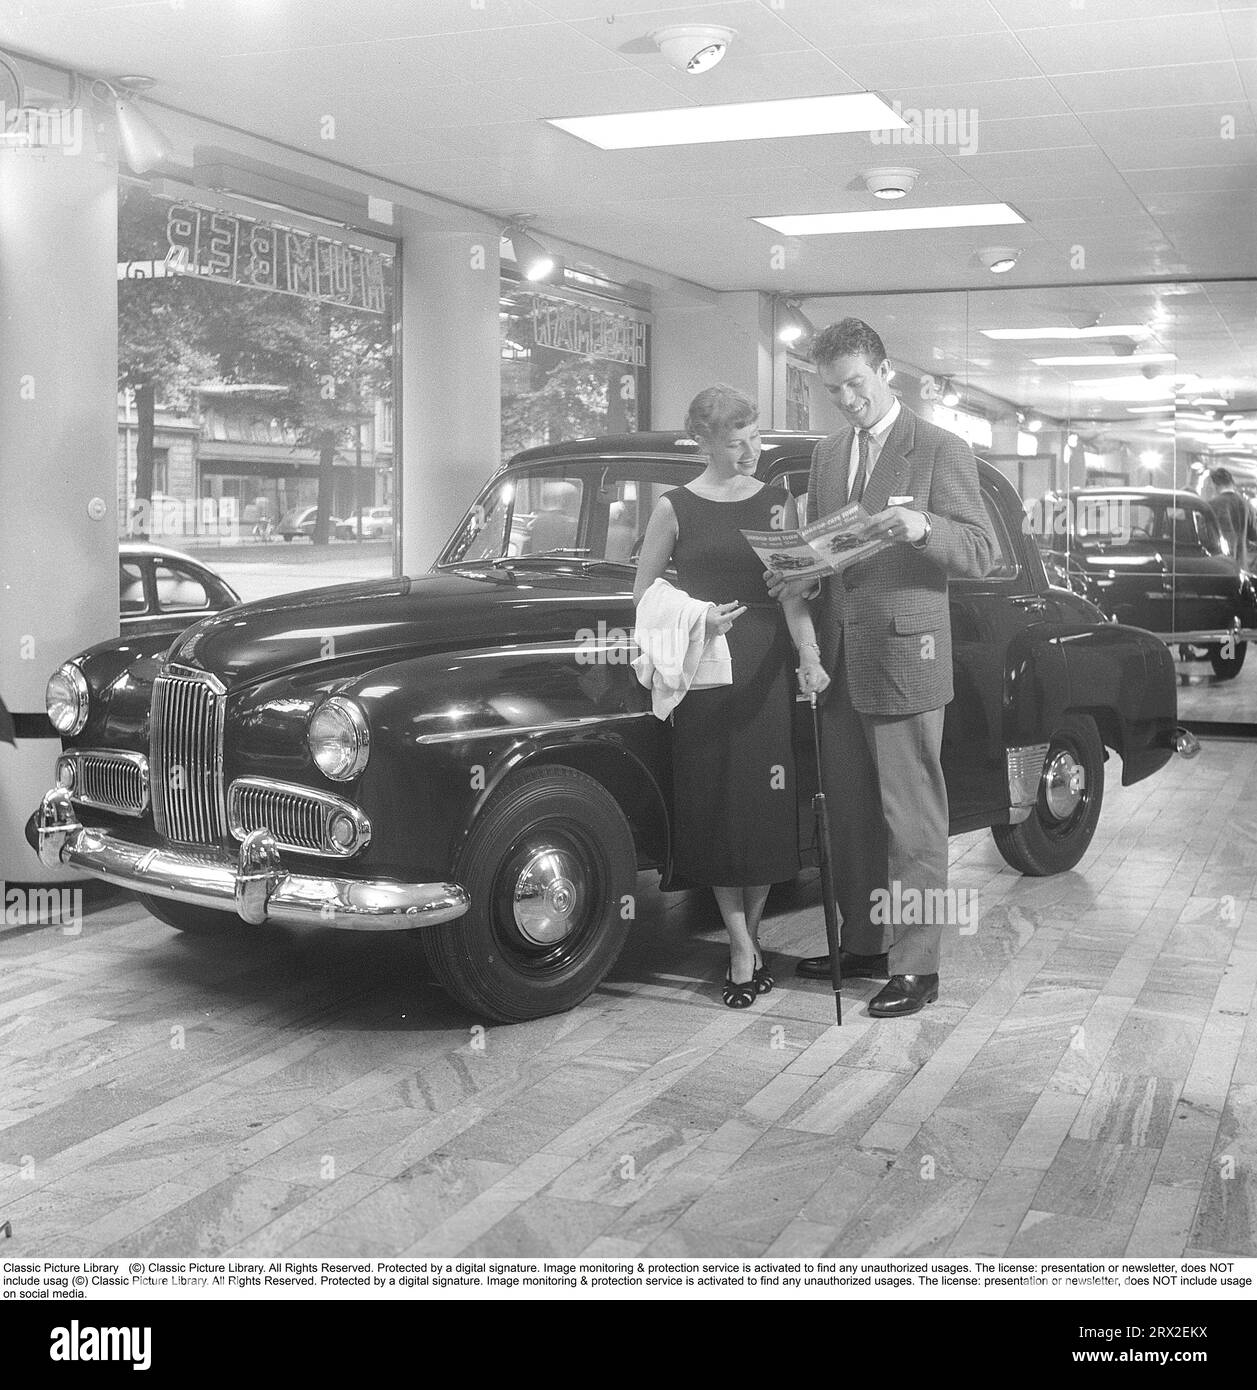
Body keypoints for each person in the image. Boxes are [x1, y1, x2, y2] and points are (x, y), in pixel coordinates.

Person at [768, 319, 996, 1018]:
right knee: (853, 817)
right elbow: (831, 547)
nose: (846, 400)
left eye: (855, 385)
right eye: (831, 389)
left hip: (906, 656)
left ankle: (917, 966)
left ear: (884, 372)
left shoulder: (939, 447)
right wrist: (801, 571)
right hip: (840, 654)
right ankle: (865, 945)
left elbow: (982, 551)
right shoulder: (829, 452)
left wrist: (924, 527)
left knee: (912, 820)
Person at [634, 385, 829, 1008]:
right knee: (717, 807)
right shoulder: (675, 508)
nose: (752, 450)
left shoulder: (778, 504)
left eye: (755, 438)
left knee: (763, 810)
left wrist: (810, 657)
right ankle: (742, 947)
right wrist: (696, 619)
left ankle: (749, 936)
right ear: (706, 443)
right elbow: (644, 598)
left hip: (766, 670)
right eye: (738, 442)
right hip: (705, 674)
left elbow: (794, 592)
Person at [1201, 466, 1257, 571]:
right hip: (1241, 566)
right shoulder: (1246, 505)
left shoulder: (1211, 506)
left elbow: (1204, 536)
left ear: (1214, 485)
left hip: (1220, 565)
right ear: (1232, 483)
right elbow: (1254, 534)